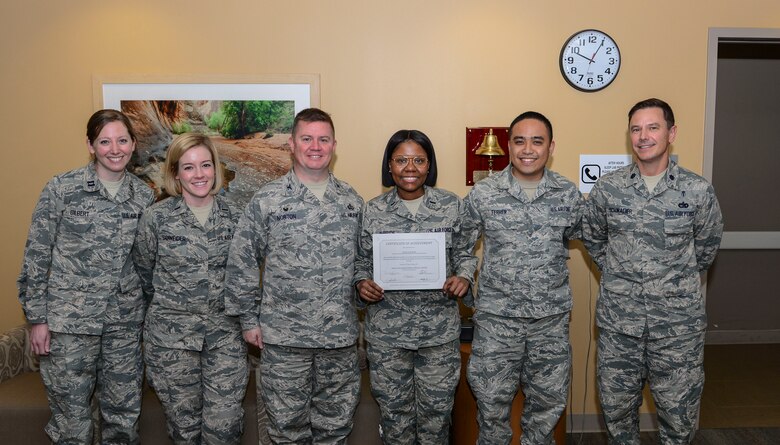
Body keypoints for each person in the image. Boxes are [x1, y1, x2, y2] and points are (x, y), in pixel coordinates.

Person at [583, 98, 723, 444]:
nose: (643, 136)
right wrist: (621, 274)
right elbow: (594, 239)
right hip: (620, 328)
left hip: (676, 331)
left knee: (679, 418)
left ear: (671, 133)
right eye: (635, 128)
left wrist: (669, 282)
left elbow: (705, 250)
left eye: (652, 127)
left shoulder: (697, 191)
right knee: (617, 415)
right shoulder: (608, 188)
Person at [224, 108, 364, 443]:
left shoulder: (352, 201)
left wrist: (364, 291)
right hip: (284, 341)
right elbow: (242, 259)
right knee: (286, 432)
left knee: (336, 430)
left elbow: (364, 261)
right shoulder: (268, 200)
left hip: (339, 340)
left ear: (334, 145)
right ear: (292, 143)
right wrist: (248, 320)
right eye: (307, 138)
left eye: (323, 139)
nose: (315, 146)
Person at [17, 109, 155, 444]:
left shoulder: (144, 197)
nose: (115, 148)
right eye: (105, 141)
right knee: (72, 422)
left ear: (133, 144)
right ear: (91, 145)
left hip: (123, 326)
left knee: (122, 418)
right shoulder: (62, 189)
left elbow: (147, 264)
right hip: (68, 326)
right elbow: (37, 256)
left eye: (122, 140)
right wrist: (37, 319)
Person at [462, 112, 583, 444]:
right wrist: (468, 286)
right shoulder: (485, 194)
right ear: (509, 145)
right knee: (491, 411)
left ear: (551, 147)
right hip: (497, 323)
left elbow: (589, 236)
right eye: (519, 140)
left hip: (549, 323)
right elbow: (460, 246)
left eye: (537, 141)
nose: (528, 149)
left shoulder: (567, 194)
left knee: (546, 412)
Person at [354, 130, 477, 443]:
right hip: (387, 335)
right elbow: (360, 262)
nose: (410, 167)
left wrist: (462, 277)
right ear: (390, 166)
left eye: (419, 160)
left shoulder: (451, 205)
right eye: (401, 160)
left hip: (437, 334)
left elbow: (465, 254)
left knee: (437, 421)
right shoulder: (372, 210)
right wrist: (362, 283)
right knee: (395, 421)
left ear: (429, 165)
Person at [133, 133, 248, 444]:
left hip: (225, 340)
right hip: (172, 342)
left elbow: (246, 277)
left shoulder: (237, 218)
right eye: (189, 167)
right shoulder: (156, 219)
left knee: (223, 429)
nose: (199, 175)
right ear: (175, 173)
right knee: (184, 432)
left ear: (216, 169)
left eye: (206, 165)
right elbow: (144, 274)